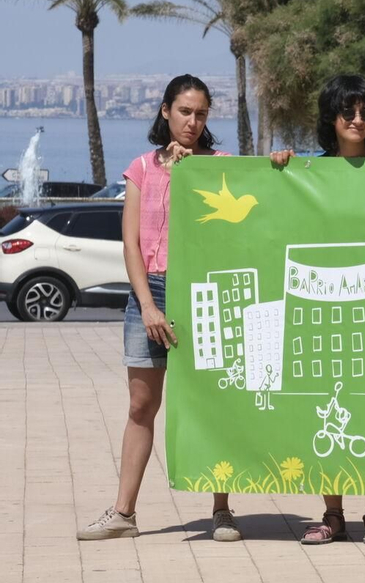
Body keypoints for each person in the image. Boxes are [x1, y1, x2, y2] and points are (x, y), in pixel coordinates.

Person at [78, 75, 241, 542]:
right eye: (185, 111)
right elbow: (130, 244)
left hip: (205, 291)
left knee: (215, 401)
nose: (193, 121)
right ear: (166, 111)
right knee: (140, 405)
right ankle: (123, 514)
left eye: (202, 114)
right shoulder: (141, 169)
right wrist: (147, 305)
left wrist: (198, 175)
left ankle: (223, 510)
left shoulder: (220, 166)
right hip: (150, 292)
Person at [271, 74, 365, 545]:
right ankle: (331, 514)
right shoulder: (309, 172)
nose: (358, 120)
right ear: (330, 119)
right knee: (325, 411)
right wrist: (279, 168)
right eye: (348, 112)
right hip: (326, 297)